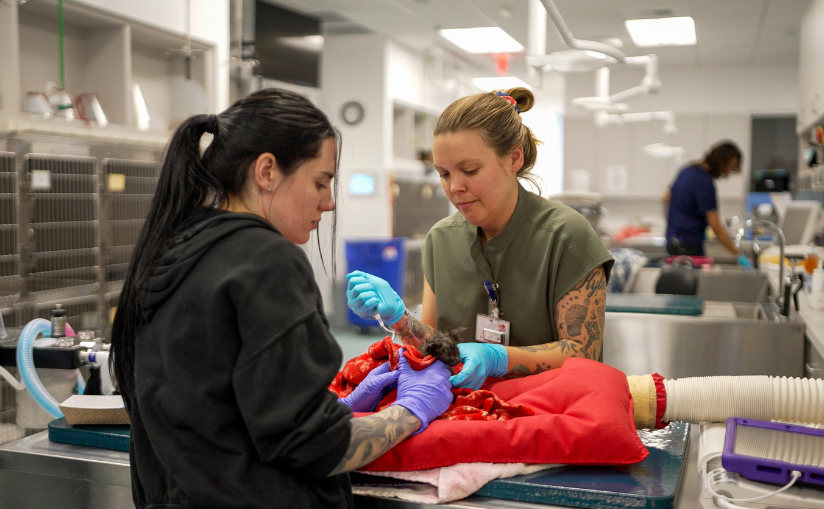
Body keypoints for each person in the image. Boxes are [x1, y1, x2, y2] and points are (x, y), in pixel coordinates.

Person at [110, 88, 453, 509]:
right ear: (267, 171)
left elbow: (221, 406)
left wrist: (329, 403)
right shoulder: (267, 260)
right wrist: (410, 410)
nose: (328, 203)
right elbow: (318, 447)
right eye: (320, 182)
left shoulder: (170, 250)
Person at [347, 88, 613, 391]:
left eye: (470, 170)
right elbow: (435, 344)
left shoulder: (567, 236)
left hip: (548, 417)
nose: (455, 187)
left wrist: (498, 357)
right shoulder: (441, 241)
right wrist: (401, 320)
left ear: (514, 158)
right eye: (444, 174)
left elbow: (584, 353)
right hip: (466, 414)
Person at [663, 140, 751, 267]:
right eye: (730, 166)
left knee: (678, 282)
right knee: (691, 284)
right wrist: (738, 254)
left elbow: (666, 198)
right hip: (689, 246)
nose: (728, 171)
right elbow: (715, 225)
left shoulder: (687, 170)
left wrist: (682, 216)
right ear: (721, 161)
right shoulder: (705, 182)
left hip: (672, 241)